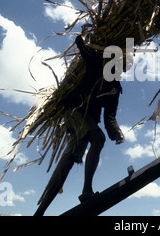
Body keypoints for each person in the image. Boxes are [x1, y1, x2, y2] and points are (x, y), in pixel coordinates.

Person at [34, 34, 126, 216]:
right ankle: (86, 191)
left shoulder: (115, 89)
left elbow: (110, 118)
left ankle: (39, 212)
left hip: (88, 122)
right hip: (74, 111)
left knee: (67, 162)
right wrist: (81, 39)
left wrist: (117, 133)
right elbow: (84, 50)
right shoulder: (97, 64)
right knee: (98, 139)